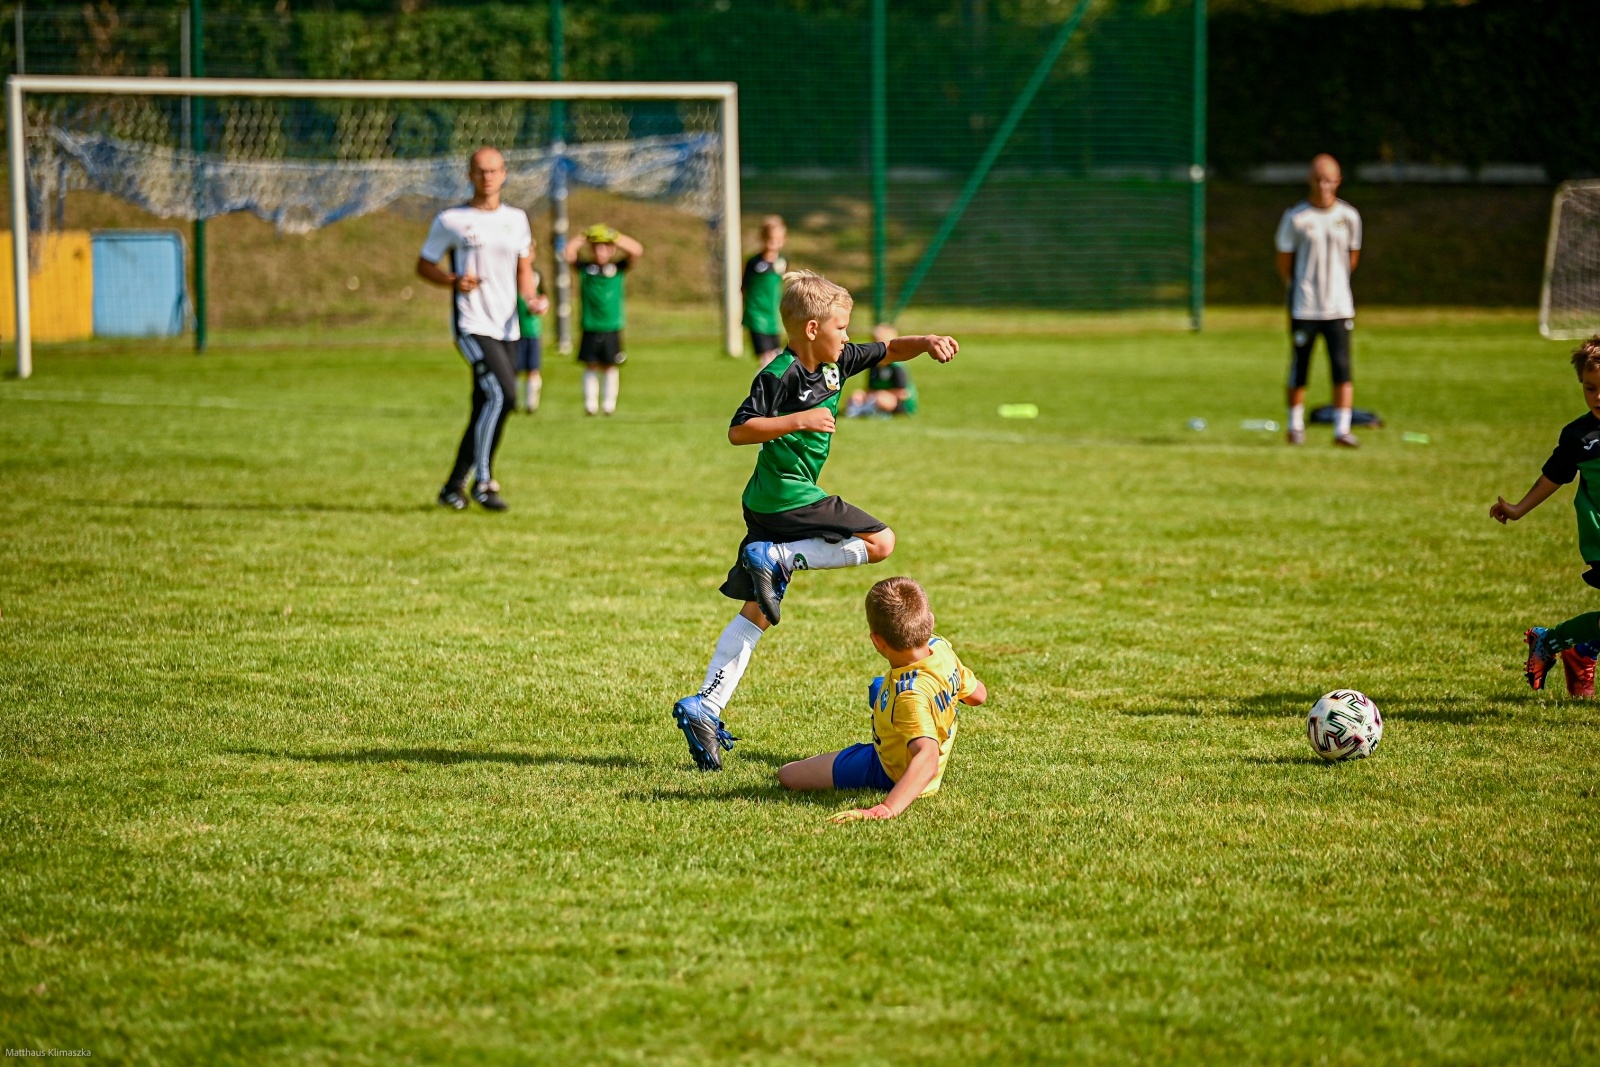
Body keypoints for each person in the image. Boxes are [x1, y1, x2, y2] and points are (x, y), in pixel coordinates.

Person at [670, 270, 960, 771]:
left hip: (768, 503)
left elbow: (888, 351)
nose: (848, 338)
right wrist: (796, 420)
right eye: (841, 328)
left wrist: (927, 341)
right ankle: (778, 557)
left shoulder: (835, 365)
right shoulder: (778, 374)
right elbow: (739, 431)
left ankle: (705, 705)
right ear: (811, 329)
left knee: (756, 614)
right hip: (788, 499)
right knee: (881, 541)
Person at [777, 576, 987, 822]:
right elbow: (977, 695)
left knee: (787, 775)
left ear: (877, 641)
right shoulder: (941, 647)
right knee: (879, 687)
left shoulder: (909, 696)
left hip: (890, 770)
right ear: (930, 621)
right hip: (907, 730)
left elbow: (927, 759)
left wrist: (886, 808)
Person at [416, 145, 538, 511]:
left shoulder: (517, 219)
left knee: (485, 405)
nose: (488, 177)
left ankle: (453, 487)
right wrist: (452, 280)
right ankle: (484, 482)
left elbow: (524, 269)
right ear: (471, 175)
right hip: (471, 325)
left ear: (504, 174)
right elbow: (424, 265)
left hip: (507, 327)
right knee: (505, 396)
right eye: (481, 171)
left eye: (494, 170)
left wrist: (532, 298)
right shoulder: (452, 219)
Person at [1491, 335, 1600, 697]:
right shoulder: (1579, 436)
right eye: (1589, 388)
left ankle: (1563, 644)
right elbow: (1554, 476)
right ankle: (1562, 644)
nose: (1597, 397)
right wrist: (1518, 509)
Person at [1275, 153, 1363, 447]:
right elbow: (1284, 261)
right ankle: (1295, 426)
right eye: (1318, 179)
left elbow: (1352, 258)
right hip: (1305, 305)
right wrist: (1303, 285)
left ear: (1338, 181)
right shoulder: (1296, 217)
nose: (1324, 186)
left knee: (1341, 366)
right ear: (1309, 181)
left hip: (1338, 306)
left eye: (1329, 180)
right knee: (1300, 366)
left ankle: (1342, 429)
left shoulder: (1349, 217)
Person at [565, 224, 644, 416]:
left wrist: (614, 237)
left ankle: (609, 405)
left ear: (611, 250)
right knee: (590, 364)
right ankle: (590, 405)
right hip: (591, 325)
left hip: (612, 325)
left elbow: (636, 250)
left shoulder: (617, 268)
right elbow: (568, 252)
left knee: (610, 365)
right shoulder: (586, 268)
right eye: (597, 247)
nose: (600, 251)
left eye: (604, 247)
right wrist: (585, 235)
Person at [742, 215, 788, 368]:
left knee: (776, 356)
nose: (773, 243)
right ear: (763, 238)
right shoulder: (755, 263)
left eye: (777, 239)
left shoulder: (782, 262)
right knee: (766, 359)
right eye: (770, 239)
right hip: (757, 317)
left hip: (773, 318)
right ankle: (763, 389)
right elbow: (744, 288)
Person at [514, 271, 550, 414]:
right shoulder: (513, 274)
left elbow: (544, 304)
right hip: (515, 333)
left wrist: (540, 306)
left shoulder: (537, 276)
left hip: (533, 333)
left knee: (533, 370)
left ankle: (531, 405)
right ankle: (514, 402)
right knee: (515, 370)